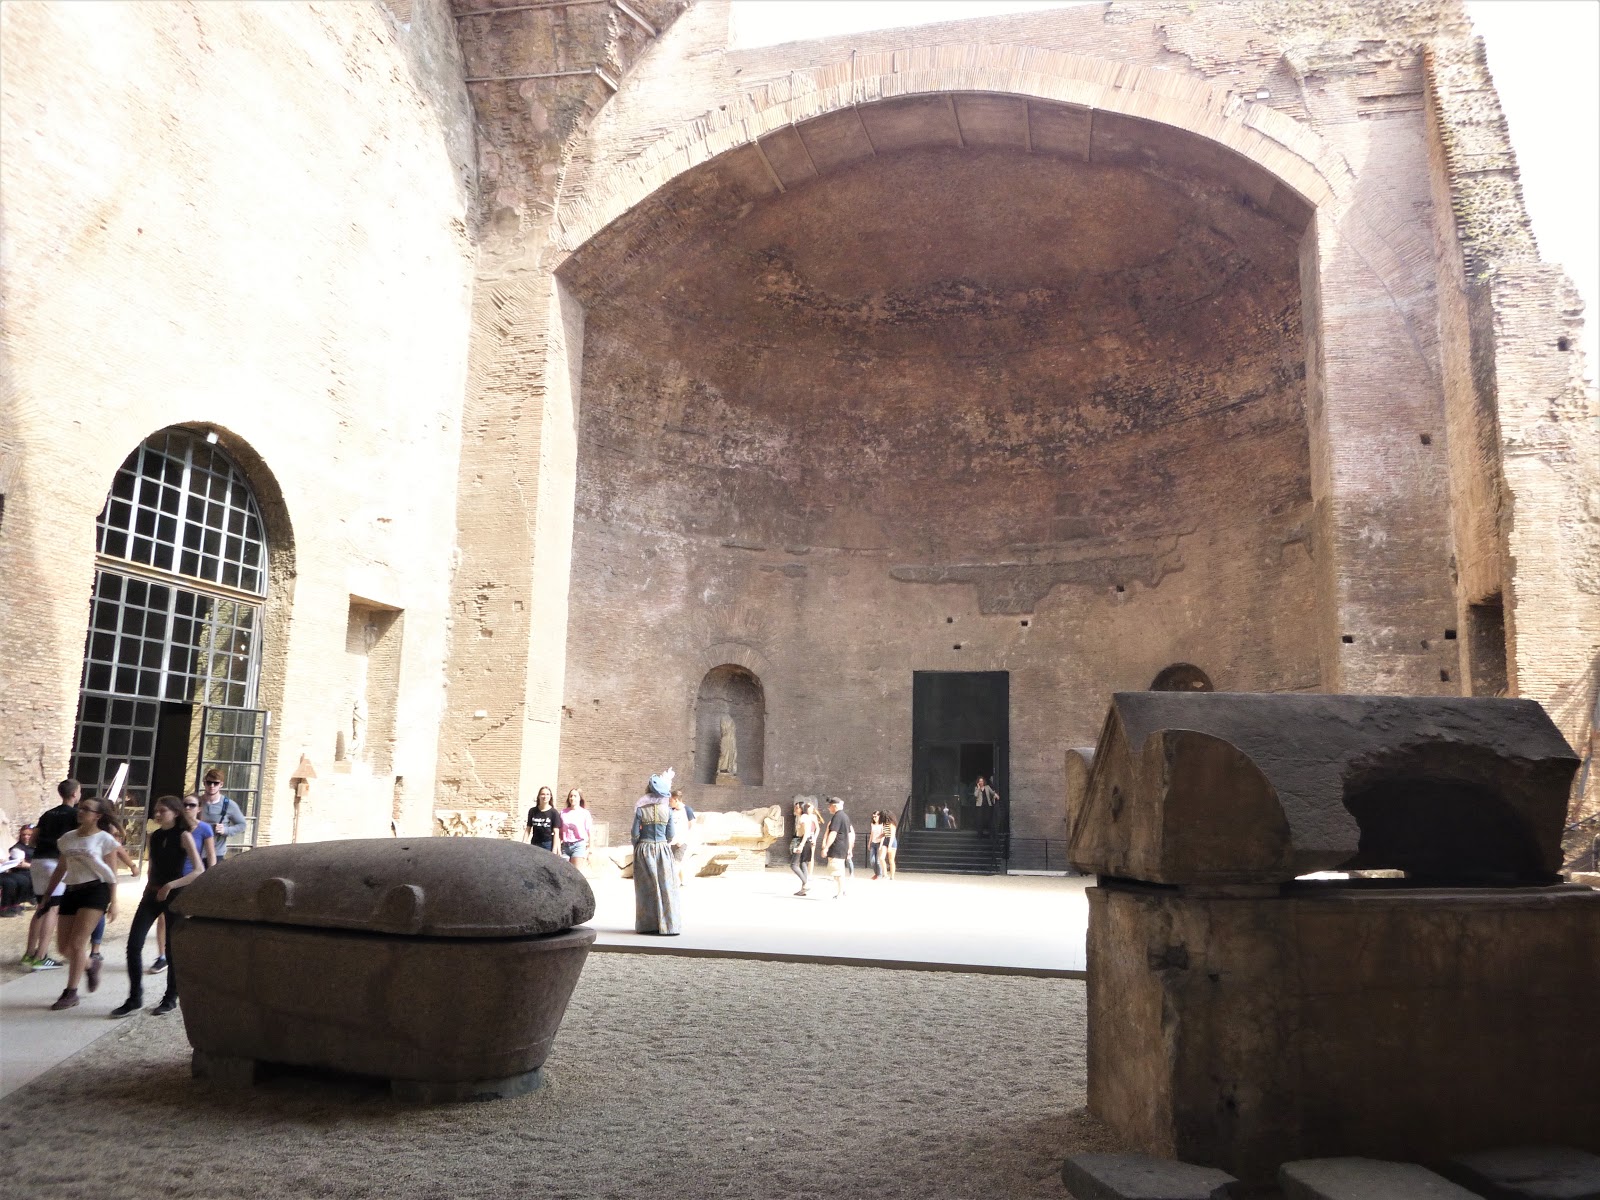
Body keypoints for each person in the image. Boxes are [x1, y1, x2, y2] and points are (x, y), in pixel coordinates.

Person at [111, 795, 204, 1018]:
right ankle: (135, 997)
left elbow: (198, 870)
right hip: (151, 894)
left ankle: (170, 997)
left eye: (162, 810)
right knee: (134, 944)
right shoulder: (154, 836)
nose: (158, 813)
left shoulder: (184, 836)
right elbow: (153, 867)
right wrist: (149, 888)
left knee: (172, 949)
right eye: (157, 810)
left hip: (174, 896)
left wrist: (171, 885)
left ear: (175, 812)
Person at [40, 795, 133, 1010]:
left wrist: (114, 900)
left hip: (96, 891)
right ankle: (91, 965)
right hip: (72, 890)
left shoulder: (105, 840)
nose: (80, 811)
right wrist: (47, 894)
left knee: (77, 943)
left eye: (86, 809)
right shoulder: (67, 839)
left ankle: (70, 993)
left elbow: (111, 872)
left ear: (97, 816)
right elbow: (61, 868)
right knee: (63, 948)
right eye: (81, 808)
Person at [151, 794, 215, 975]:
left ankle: (184, 955)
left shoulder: (203, 829)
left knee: (183, 919)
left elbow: (210, 855)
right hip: (172, 877)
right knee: (162, 918)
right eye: (185, 804)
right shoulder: (171, 831)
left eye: (192, 805)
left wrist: (211, 878)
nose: (188, 808)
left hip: (189, 879)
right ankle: (162, 956)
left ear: (199, 808)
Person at [24, 779, 80, 971]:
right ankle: (41, 956)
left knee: (41, 905)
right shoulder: (75, 814)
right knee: (53, 908)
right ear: (74, 794)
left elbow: (32, 839)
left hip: (38, 861)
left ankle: (29, 953)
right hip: (55, 863)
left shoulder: (48, 813)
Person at [631, 769, 683, 935]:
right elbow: (671, 835)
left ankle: (648, 925)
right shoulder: (667, 811)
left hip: (644, 849)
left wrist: (637, 845)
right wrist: (663, 842)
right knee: (666, 886)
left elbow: (634, 834)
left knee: (646, 888)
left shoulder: (641, 810)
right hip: (662, 849)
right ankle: (668, 925)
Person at [197, 769, 247, 857]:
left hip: (217, 853)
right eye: (209, 782)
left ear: (221, 784)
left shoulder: (229, 804)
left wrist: (225, 830)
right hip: (196, 851)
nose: (212, 786)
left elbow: (242, 825)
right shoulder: (196, 802)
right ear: (204, 783)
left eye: (215, 783)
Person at [821, 796, 853, 900]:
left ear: (834, 806)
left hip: (837, 847)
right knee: (839, 871)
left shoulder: (837, 817)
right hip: (843, 846)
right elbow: (850, 833)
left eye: (830, 806)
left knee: (837, 872)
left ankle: (840, 892)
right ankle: (841, 890)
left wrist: (826, 847)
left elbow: (833, 833)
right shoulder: (845, 817)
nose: (828, 808)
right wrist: (849, 848)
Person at [1, 825, 34, 916]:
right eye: (24, 835)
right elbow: (20, 863)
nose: (26, 837)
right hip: (20, 871)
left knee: (22, 880)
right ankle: (4, 907)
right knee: (10, 882)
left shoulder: (36, 846)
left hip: (3, 871)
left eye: (29, 835)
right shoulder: (17, 848)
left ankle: (15, 903)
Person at [789, 800, 819, 896]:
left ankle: (806, 883)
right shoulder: (802, 817)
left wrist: (801, 844)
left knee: (793, 864)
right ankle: (803, 889)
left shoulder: (803, 818)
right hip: (805, 841)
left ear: (801, 809)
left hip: (802, 841)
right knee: (803, 863)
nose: (795, 809)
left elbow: (806, 832)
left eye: (797, 808)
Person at [558, 788, 593, 866]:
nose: (572, 798)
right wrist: (558, 847)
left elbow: (590, 832)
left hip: (578, 845)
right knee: (564, 873)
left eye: (575, 796)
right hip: (565, 846)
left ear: (580, 798)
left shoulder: (585, 813)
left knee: (576, 873)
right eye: (571, 796)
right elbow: (559, 832)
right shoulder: (563, 813)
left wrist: (590, 851)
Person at [668, 788, 694, 886]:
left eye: (671, 801)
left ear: (676, 800)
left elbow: (691, 826)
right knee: (674, 862)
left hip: (682, 841)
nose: (669, 803)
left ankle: (672, 883)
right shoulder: (671, 810)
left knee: (676, 862)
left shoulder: (687, 810)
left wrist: (683, 839)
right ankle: (683, 881)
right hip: (671, 841)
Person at [525, 786, 558, 852]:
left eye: (547, 794)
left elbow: (556, 832)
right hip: (535, 843)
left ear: (550, 796)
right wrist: (523, 842)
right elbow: (528, 829)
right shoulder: (532, 811)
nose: (545, 796)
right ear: (539, 796)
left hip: (547, 844)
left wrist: (554, 849)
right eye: (542, 794)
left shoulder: (554, 812)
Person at [867, 811, 887, 880]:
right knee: (872, 860)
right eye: (873, 816)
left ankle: (880, 874)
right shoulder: (872, 824)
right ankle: (876, 873)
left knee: (878, 861)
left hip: (879, 843)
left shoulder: (882, 825)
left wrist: (881, 844)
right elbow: (871, 834)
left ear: (879, 816)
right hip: (873, 843)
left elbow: (883, 835)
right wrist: (869, 843)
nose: (874, 818)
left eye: (875, 816)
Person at [880, 814, 898, 881]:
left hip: (892, 841)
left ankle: (892, 876)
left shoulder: (891, 824)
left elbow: (892, 835)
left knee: (891, 860)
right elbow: (885, 833)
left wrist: (890, 846)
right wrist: (880, 836)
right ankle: (885, 874)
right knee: (882, 858)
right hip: (886, 839)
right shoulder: (884, 824)